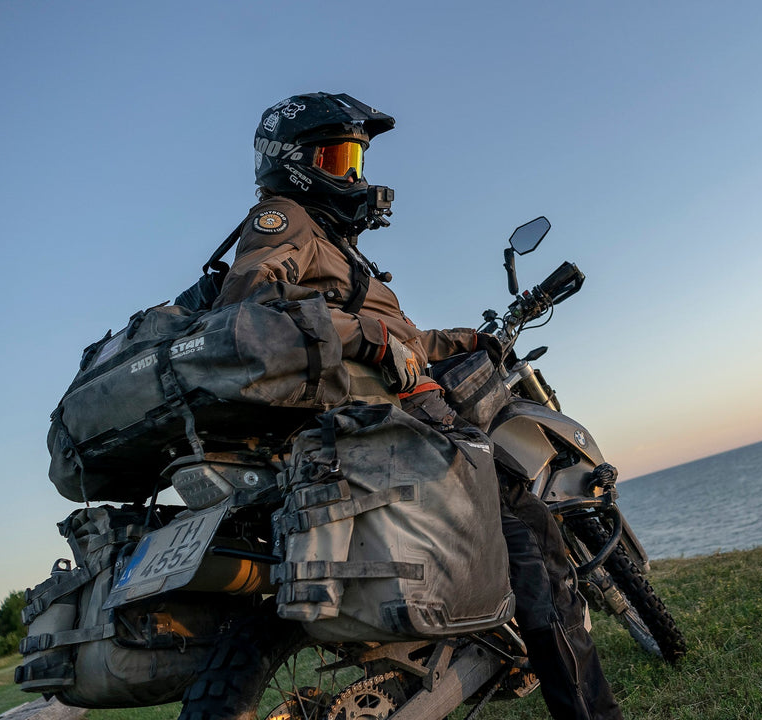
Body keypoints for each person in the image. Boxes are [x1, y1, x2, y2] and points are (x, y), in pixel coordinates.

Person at [214, 92, 623, 720]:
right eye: (338, 156)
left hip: (388, 424)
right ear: (294, 163)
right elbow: (249, 310)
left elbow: (399, 341)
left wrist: (465, 339)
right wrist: (370, 336)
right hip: (390, 434)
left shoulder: (333, 249)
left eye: (356, 159)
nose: (354, 175)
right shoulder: (286, 220)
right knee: (538, 550)